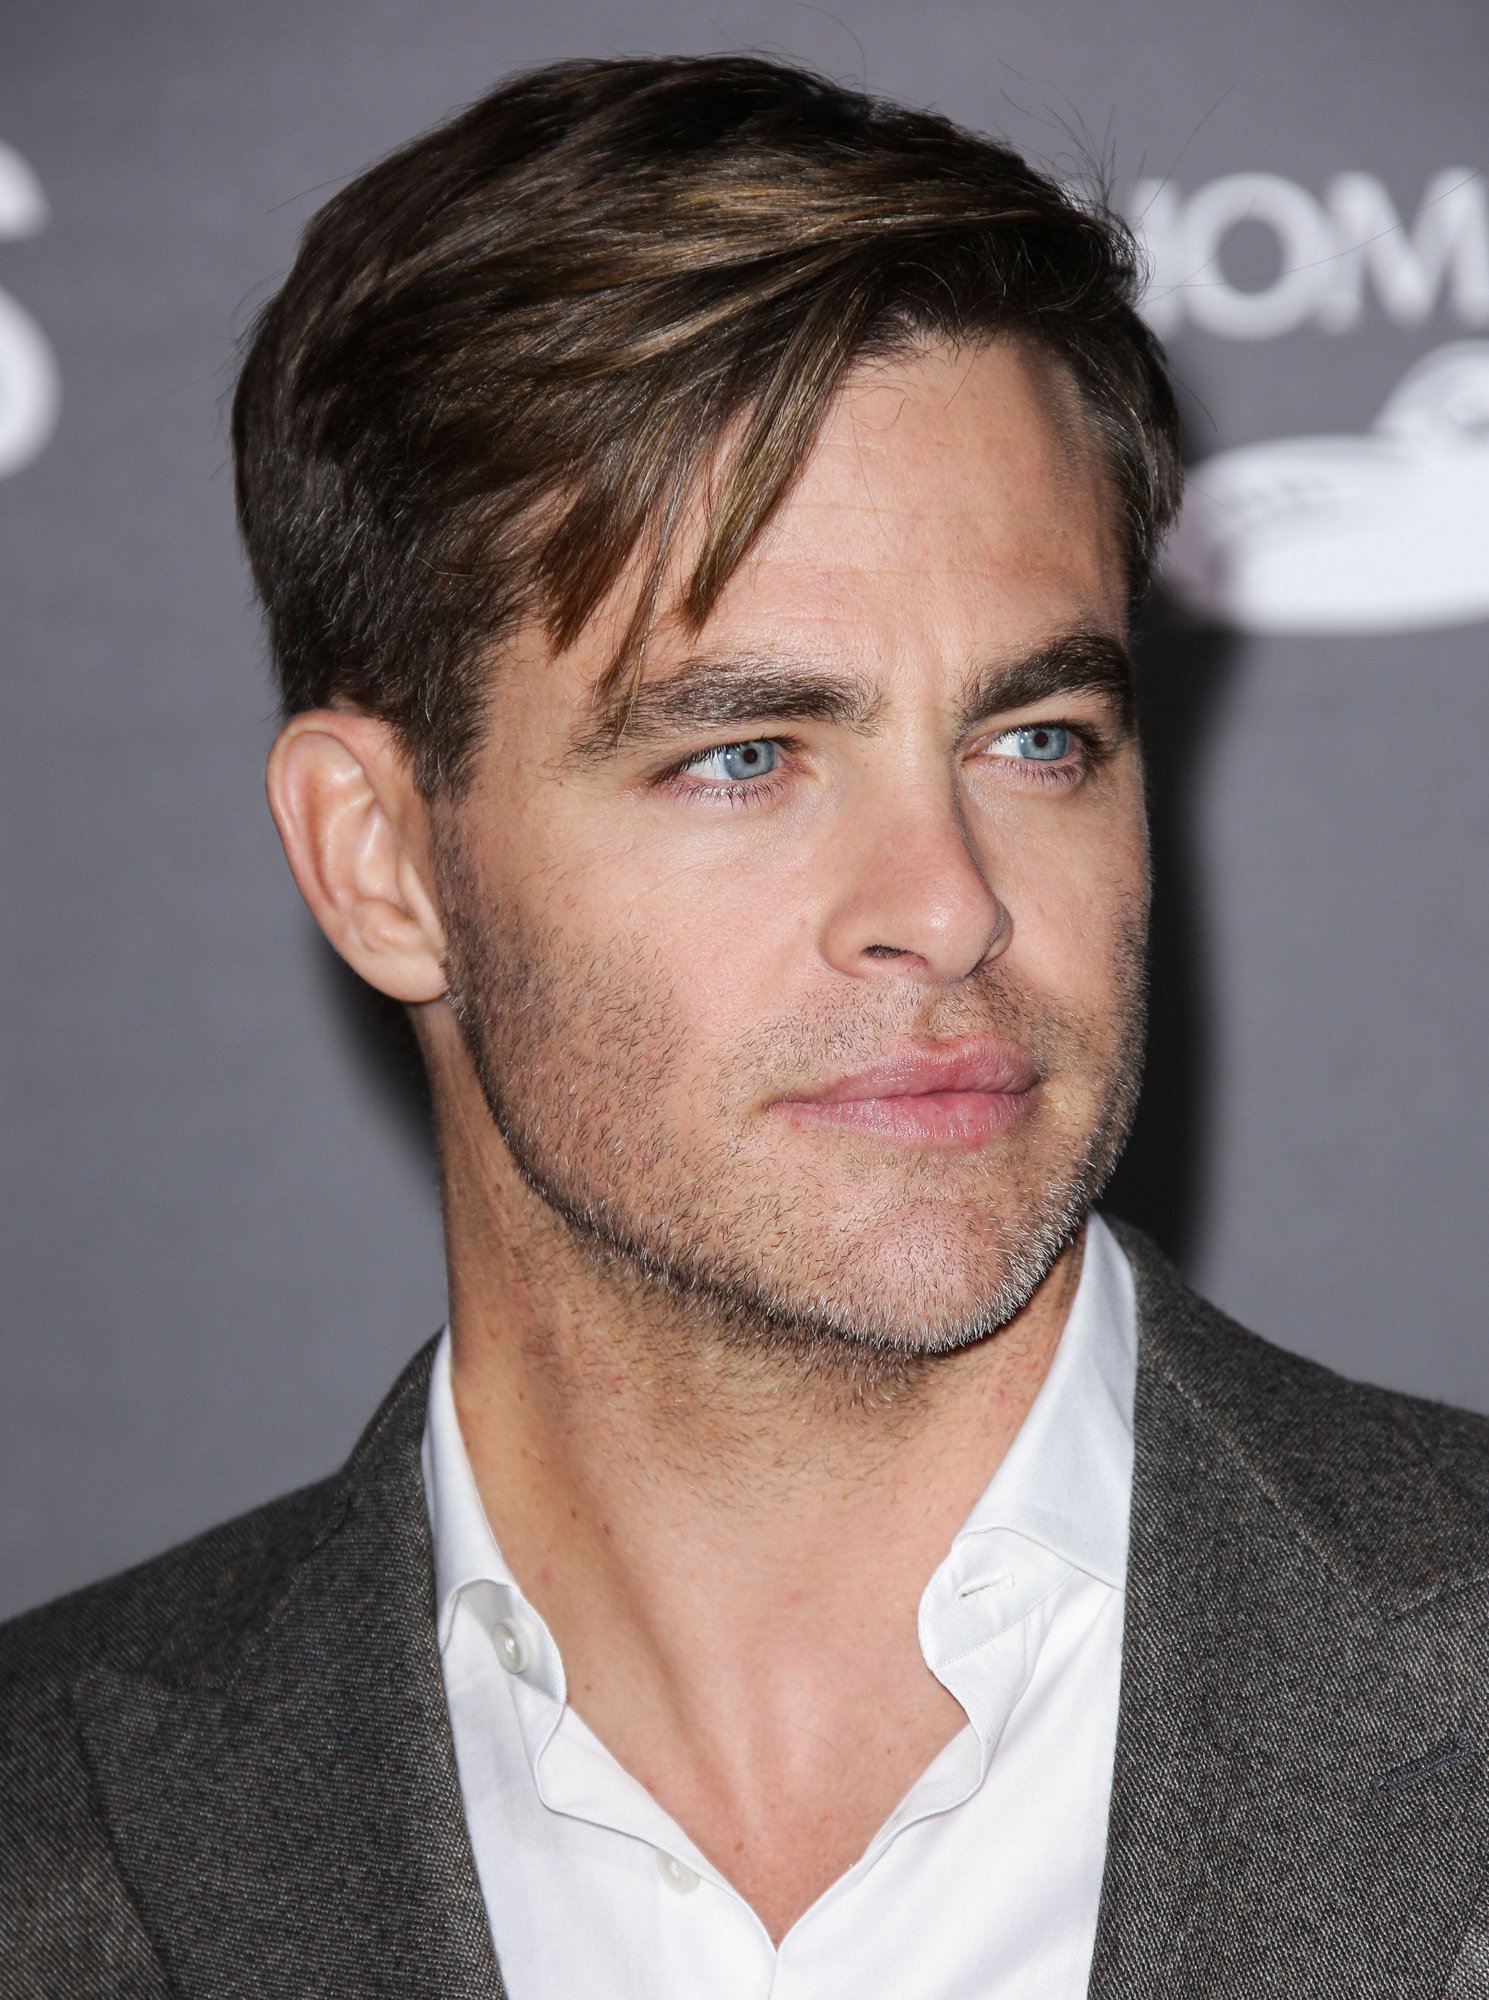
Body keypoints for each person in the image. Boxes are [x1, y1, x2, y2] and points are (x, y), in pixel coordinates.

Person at [3, 52, 1487, 2000]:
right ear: (383, 861)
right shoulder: (46, 1845)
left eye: (1036, 738)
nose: (947, 904)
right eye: (744, 756)